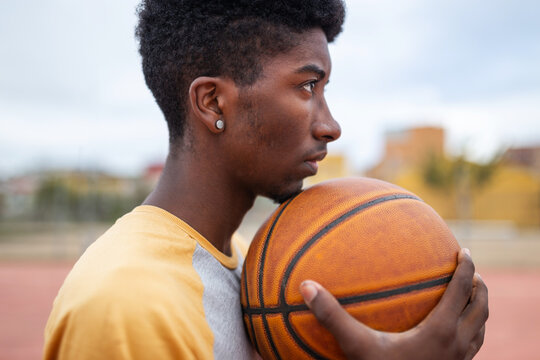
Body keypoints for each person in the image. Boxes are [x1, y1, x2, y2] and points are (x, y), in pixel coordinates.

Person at [43, 1, 488, 359]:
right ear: (214, 102)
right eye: (307, 87)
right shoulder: (127, 305)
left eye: (324, 89)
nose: (331, 126)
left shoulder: (251, 263)